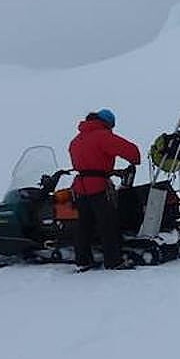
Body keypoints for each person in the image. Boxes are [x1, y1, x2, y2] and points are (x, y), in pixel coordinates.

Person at [68, 108, 142, 270]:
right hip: (98, 187)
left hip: (80, 187)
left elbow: (88, 164)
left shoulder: (76, 140)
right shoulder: (103, 136)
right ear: (107, 124)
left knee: (84, 225)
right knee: (108, 224)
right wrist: (135, 160)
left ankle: (82, 261)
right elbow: (131, 151)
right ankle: (113, 261)